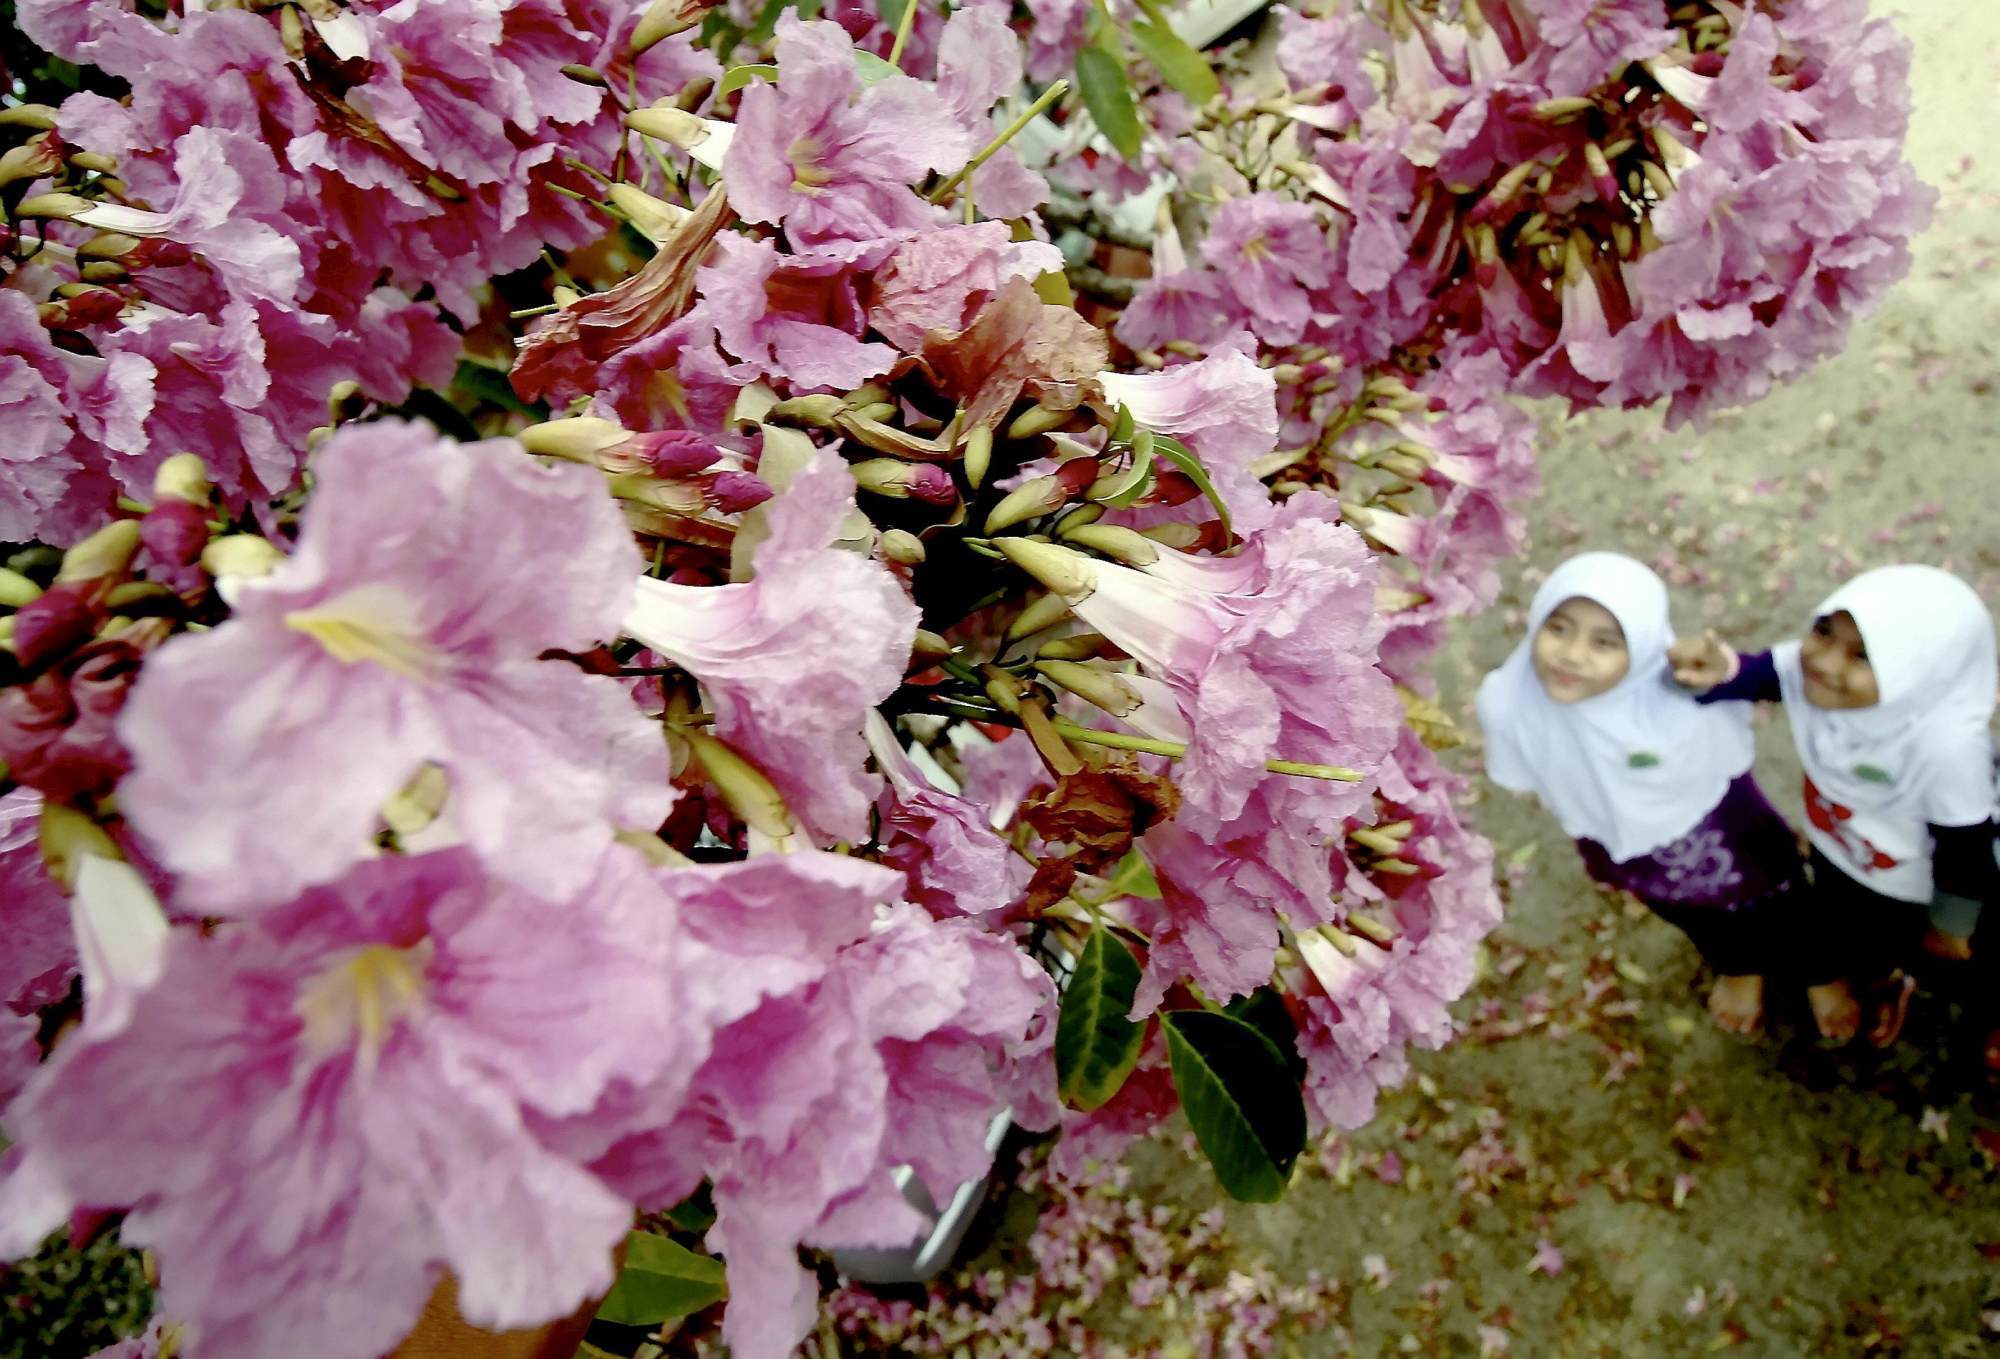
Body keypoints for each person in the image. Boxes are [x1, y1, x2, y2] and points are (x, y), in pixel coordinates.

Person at [1477, 552, 1807, 1035]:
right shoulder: (1510, 700)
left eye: (1604, 642)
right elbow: (1527, 770)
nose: (1571, 654)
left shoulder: (1678, 694)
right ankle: (1740, 968)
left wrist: (1718, 674)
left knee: (1777, 888)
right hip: (1625, 841)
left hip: (1721, 824)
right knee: (1691, 911)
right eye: (1559, 628)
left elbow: (1742, 690)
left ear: (1643, 650)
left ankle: (1817, 967)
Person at [1670, 564, 2000, 1046]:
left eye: (1863, 655)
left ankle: (1984, 1013)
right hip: (1840, 854)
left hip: (1919, 890)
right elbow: (1761, 674)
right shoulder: (1813, 678)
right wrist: (1718, 671)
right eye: (1823, 631)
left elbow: (1965, 854)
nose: (1825, 662)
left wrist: (1950, 927)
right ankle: (1883, 977)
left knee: (1956, 966)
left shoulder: (1944, 748)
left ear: (1919, 676)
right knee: (1856, 936)